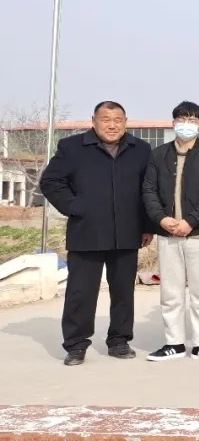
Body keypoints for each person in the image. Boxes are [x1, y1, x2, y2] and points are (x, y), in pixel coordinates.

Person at [40, 101, 153, 366]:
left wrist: (148, 225)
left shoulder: (141, 149)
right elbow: (51, 181)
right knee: (81, 292)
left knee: (123, 291)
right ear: (93, 121)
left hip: (127, 232)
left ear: (126, 122)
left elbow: (148, 189)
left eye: (118, 120)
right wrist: (75, 206)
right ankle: (76, 345)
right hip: (86, 231)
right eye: (105, 119)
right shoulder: (72, 147)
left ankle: (119, 340)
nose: (112, 125)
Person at [142, 101, 199, 362]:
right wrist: (161, 219)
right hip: (168, 235)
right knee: (171, 293)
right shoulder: (158, 155)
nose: (186, 124)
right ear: (173, 123)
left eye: (192, 120)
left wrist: (190, 221)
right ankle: (174, 343)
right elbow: (148, 190)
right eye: (181, 119)